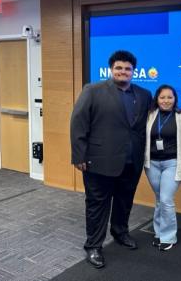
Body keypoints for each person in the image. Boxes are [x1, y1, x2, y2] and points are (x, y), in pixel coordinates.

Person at [70, 50, 152, 269]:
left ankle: (120, 232)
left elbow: (149, 124)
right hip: (98, 161)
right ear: (111, 69)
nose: (123, 72)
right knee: (97, 205)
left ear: (133, 71)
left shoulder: (144, 95)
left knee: (125, 202)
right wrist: (79, 155)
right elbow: (78, 123)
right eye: (119, 68)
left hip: (131, 161)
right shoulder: (93, 90)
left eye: (127, 68)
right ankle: (94, 246)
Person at [144, 85, 181, 251]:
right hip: (152, 163)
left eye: (170, 97)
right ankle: (159, 232)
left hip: (173, 163)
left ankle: (169, 236)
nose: (166, 101)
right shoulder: (149, 116)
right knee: (159, 199)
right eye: (162, 97)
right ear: (157, 99)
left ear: (175, 99)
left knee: (166, 199)